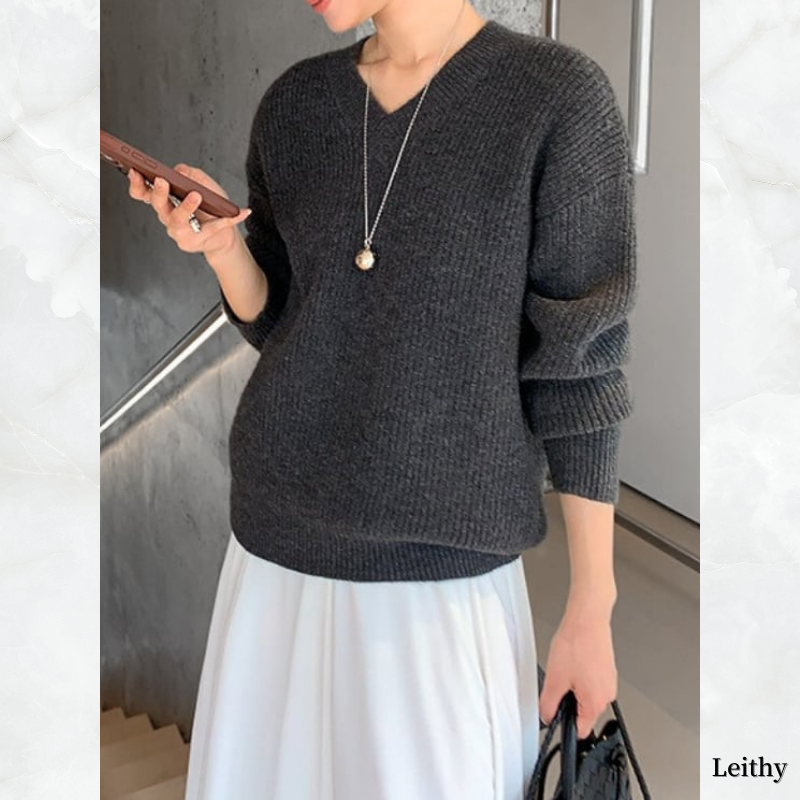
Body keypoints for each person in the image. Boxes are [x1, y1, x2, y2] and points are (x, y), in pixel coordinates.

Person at [127, 0, 636, 797]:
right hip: (274, 556)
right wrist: (223, 249)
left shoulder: (556, 99)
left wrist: (591, 605)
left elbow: (581, 370)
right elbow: (284, 316)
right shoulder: (297, 105)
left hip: (441, 582)